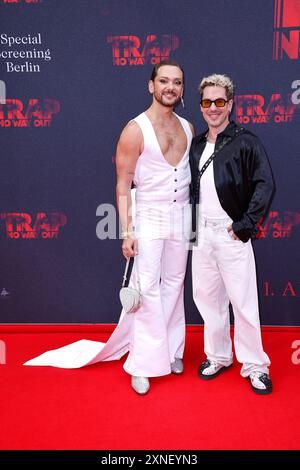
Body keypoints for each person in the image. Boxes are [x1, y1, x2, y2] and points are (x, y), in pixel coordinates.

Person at [24, 59, 194, 396]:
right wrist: (127, 230)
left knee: (175, 283)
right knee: (147, 289)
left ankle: (173, 350)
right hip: (149, 216)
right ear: (151, 85)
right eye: (163, 81)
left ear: (182, 88)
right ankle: (143, 363)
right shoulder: (135, 129)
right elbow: (122, 184)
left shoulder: (188, 127)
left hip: (183, 216)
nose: (170, 87)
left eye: (176, 82)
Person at [189, 74, 274, 395]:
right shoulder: (196, 144)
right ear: (201, 106)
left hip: (231, 233)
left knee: (243, 302)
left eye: (220, 101)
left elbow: (265, 184)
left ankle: (255, 365)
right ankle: (219, 355)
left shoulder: (246, 141)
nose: (214, 108)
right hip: (201, 234)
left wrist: (244, 225)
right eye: (207, 102)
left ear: (231, 104)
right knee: (207, 300)